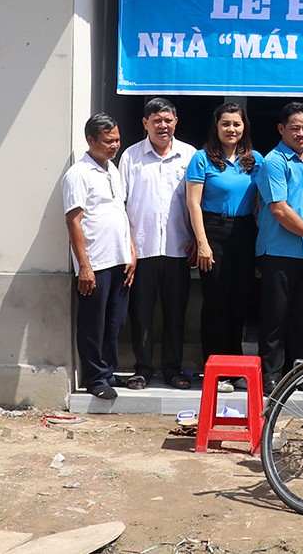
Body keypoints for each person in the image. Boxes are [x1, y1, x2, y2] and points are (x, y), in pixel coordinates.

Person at [254, 101, 303, 391]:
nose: (301, 134)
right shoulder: (273, 161)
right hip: (278, 251)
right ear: (281, 129)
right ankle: (271, 375)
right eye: (295, 128)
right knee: (275, 315)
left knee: (301, 315)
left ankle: (296, 371)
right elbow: (280, 209)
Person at [119, 97, 195, 390]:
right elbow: (120, 203)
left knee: (176, 314)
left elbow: (195, 201)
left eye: (168, 120)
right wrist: (129, 246)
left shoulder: (189, 155)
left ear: (176, 121)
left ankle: (173, 369)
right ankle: (142, 369)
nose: (163, 126)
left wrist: (195, 238)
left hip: (178, 247)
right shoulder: (131, 156)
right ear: (145, 124)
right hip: (142, 249)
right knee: (142, 313)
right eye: (156, 121)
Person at [185, 103, 263, 382]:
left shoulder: (255, 160)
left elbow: (262, 201)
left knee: (239, 300)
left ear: (245, 128)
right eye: (226, 124)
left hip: (244, 231)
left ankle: (235, 365)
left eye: (237, 124)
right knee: (216, 301)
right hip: (213, 230)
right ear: (216, 127)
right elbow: (193, 203)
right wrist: (202, 243)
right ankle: (215, 367)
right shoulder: (202, 158)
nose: (232, 129)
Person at [62, 113, 135, 401]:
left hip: (119, 259)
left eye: (117, 139)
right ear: (90, 140)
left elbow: (120, 213)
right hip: (96, 262)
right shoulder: (78, 174)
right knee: (94, 323)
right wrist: (84, 266)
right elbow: (74, 221)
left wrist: (131, 250)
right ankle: (94, 377)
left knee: (115, 321)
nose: (114, 145)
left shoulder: (112, 170)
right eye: (108, 141)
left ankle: (108, 369)